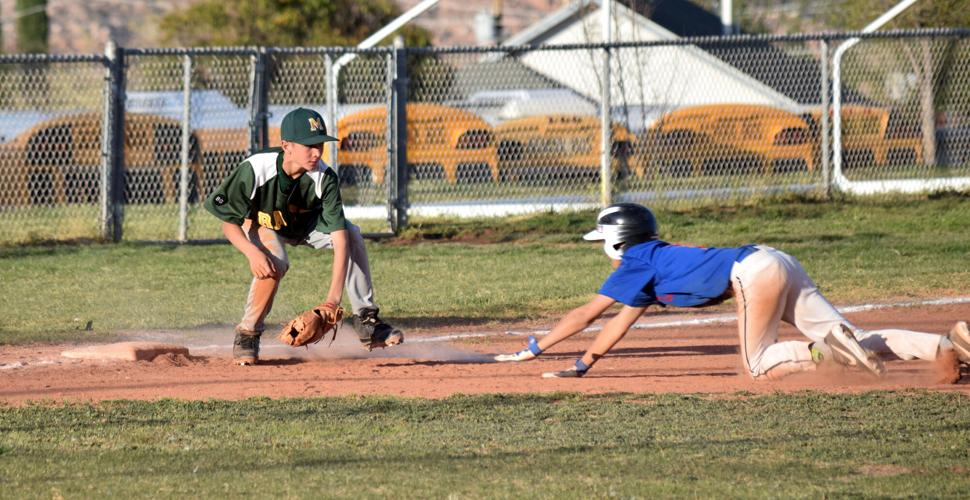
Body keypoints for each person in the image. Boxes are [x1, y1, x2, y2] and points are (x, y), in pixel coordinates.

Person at [495, 203, 970, 381]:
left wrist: (531, 349)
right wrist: (583, 365)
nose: (603, 248)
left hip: (753, 272)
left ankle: (826, 353)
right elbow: (619, 322)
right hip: (772, 258)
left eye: (603, 239)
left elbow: (587, 314)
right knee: (857, 334)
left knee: (759, 366)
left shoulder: (634, 261)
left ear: (619, 238)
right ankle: (946, 346)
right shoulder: (652, 262)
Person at [204, 107, 403, 365]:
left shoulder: (324, 177)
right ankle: (248, 333)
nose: (316, 152)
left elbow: (340, 238)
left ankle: (367, 321)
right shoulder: (256, 168)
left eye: (319, 144)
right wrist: (251, 252)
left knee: (352, 232)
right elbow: (228, 222)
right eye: (308, 145)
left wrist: (332, 301)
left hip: (306, 226)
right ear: (286, 145)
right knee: (275, 264)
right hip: (262, 224)